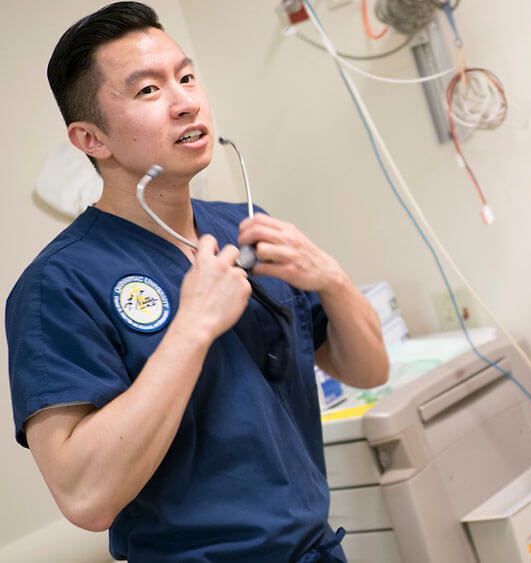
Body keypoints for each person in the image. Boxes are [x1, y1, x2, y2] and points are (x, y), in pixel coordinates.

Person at [5, 2, 389, 561]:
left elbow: (367, 369)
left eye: (186, 77)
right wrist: (192, 329)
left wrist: (331, 279)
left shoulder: (244, 227)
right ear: (91, 139)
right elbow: (85, 498)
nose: (186, 101)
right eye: (148, 91)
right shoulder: (57, 286)